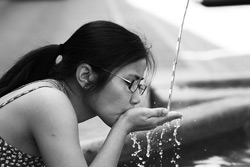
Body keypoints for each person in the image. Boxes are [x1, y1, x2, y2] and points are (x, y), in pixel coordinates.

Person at [0, 20, 182, 167]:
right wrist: (123, 126)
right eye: (130, 83)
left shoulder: (51, 97)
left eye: (139, 85)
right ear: (86, 76)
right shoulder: (50, 102)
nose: (136, 99)